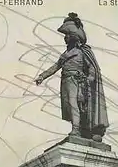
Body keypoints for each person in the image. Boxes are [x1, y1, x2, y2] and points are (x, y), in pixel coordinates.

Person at [35, 12, 109, 142]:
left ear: (74, 37)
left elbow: (93, 68)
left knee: (75, 105)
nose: (66, 38)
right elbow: (55, 67)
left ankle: (76, 129)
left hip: (78, 82)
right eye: (65, 35)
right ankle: (78, 128)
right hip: (66, 81)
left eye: (68, 35)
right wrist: (42, 76)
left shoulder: (82, 51)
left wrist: (89, 79)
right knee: (70, 105)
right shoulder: (65, 54)